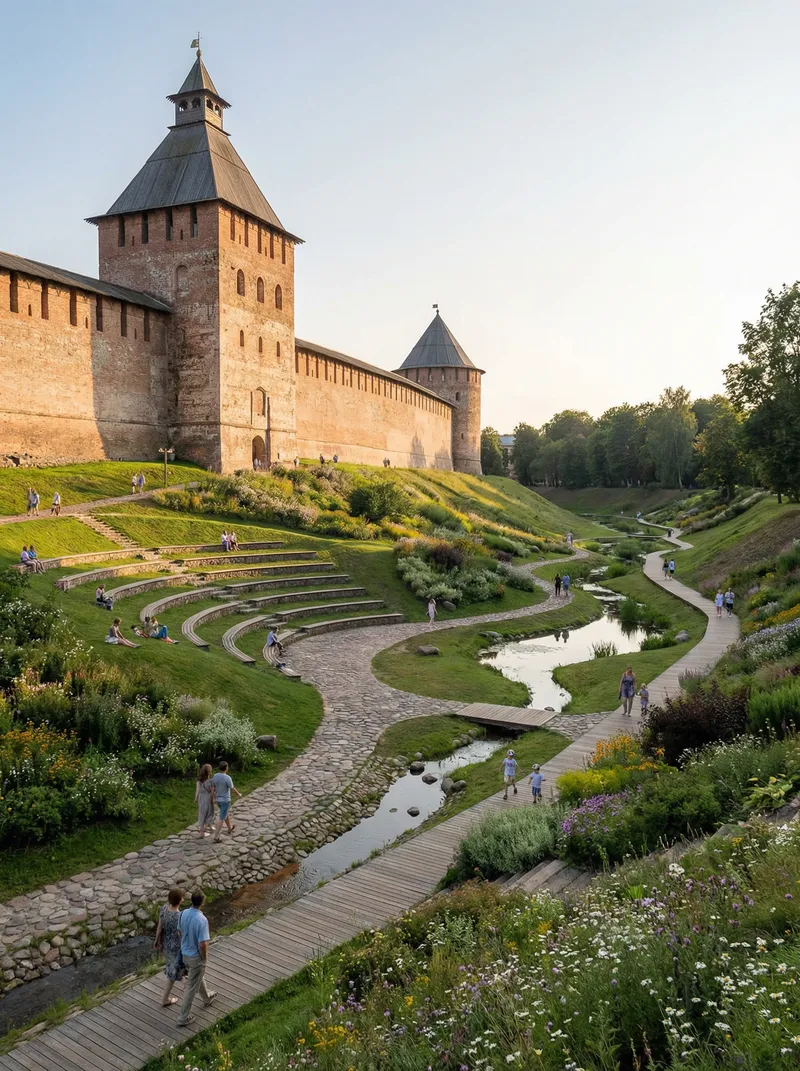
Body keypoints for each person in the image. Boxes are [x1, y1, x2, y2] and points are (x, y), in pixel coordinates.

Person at [176, 889, 216, 1027]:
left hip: (185, 954)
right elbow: (203, 943)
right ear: (203, 902)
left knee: (197, 976)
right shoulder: (202, 919)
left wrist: (183, 946)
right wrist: (204, 958)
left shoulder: (183, 913)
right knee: (191, 987)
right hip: (196, 957)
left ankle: (207, 998)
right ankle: (183, 1017)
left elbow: (179, 932)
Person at [154, 887, 186, 1007]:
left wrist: (157, 941)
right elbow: (181, 934)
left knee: (173, 970)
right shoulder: (180, 916)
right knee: (178, 971)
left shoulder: (164, 909)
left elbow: (159, 927)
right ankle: (168, 999)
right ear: (180, 901)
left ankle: (166, 999)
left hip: (167, 946)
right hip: (177, 948)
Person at [212, 761, 242, 841]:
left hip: (218, 800)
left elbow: (213, 787)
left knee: (224, 813)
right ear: (226, 768)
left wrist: (214, 797)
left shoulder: (215, 776)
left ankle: (230, 828)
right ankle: (216, 836)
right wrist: (238, 794)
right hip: (225, 800)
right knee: (221, 817)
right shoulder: (227, 778)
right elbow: (232, 788)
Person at [195, 765, 215, 837]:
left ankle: (207, 829)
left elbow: (197, 791)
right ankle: (202, 831)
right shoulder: (211, 781)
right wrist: (213, 799)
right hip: (208, 798)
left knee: (202, 814)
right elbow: (212, 793)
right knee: (210, 814)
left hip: (201, 798)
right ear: (209, 772)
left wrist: (196, 799)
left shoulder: (199, 781)